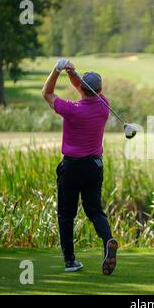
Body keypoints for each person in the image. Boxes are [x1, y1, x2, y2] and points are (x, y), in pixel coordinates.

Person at [42, 58, 118, 275]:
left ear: (83, 88)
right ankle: (108, 242)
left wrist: (57, 70)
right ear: (99, 90)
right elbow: (84, 89)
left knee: (66, 215)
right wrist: (72, 72)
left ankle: (70, 261)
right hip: (94, 165)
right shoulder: (104, 104)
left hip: (72, 167)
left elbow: (47, 93)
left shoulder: (71, 109)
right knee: (95, 211)